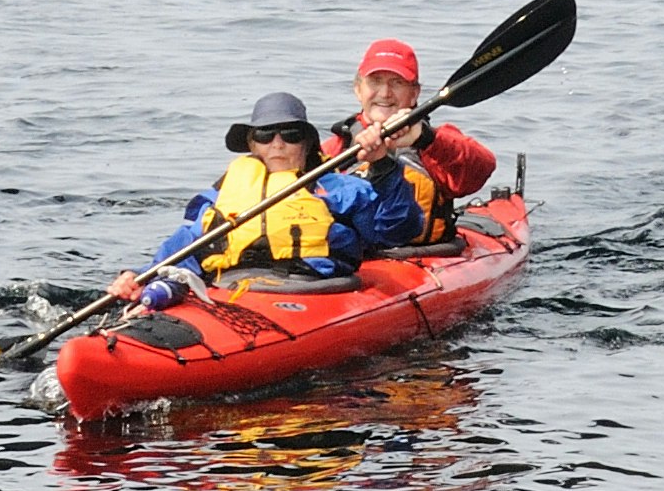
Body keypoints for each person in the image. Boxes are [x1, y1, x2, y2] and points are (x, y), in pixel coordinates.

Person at [110, 91, 407, 308]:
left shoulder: (341, 190)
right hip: (232, 291)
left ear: (306, 143)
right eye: (266, 135)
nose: (277, 144)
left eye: (290, 134)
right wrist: (138, 275)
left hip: (313, 292)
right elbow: (183, 249)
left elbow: (396, 230)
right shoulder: (223, 195)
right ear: (252, 144)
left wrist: (383, 166)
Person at [334, 36, 494, 248]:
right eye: (375, 81)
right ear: (358, 89)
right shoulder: (337, 146)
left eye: (397, 83)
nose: (385, 93)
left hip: (421, 254)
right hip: (352, 259)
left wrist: (425, 139)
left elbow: (482, 168)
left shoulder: (436, 142)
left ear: (414, 94)